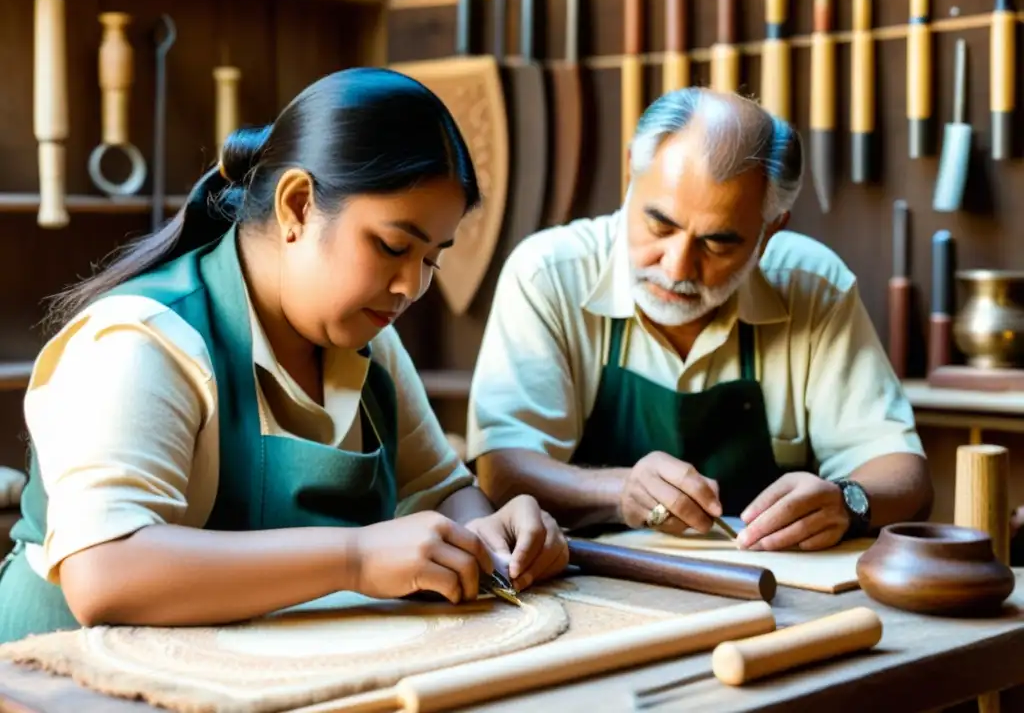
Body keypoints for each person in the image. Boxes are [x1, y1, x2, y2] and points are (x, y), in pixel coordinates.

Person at [0, 68, 568, 644]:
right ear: (297, 206)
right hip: (54, 681)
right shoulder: (140, 341)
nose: (411, 287)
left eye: (431, 258)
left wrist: (490, 535)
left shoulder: (368, 341)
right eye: (393, 246)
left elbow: (442, 489)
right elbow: (104, 575)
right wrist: (356, 558)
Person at [467, 88, 933, 553]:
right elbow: (503, 472)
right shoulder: (548, 274)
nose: (677, 267)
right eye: (660, 225)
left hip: (773, 590)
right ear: (630, 170)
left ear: (771, 231)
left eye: (717, 243)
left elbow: (905, 476)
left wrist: (848, 502)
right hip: (587, 585)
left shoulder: (814, 286)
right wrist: (621, 491)